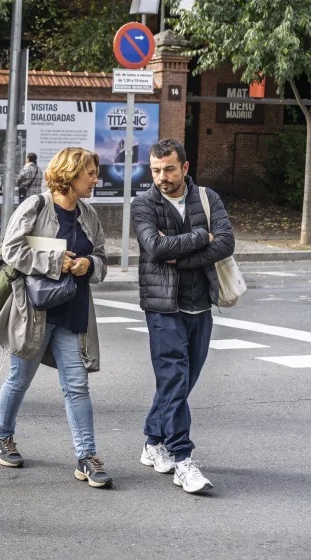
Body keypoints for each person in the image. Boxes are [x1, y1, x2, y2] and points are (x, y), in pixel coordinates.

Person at [0, 147, 112, 488]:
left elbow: (102, 257)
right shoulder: (36, 206)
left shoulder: (88, 214)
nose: (95, 179)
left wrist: (90, 265)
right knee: (19, 379)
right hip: (34, 313)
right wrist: (59, 263)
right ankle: (2, 437)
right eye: (90, 173)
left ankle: (86, 457)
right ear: (70, 174)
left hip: (72, 312)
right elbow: (12, 250)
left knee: (76, 385)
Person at [132, 138, 235, 494]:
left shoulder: (208, 199)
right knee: (174, 376)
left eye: (169, 169)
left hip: (200, 303)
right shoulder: (143, 204)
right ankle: (182, 459)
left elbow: (225, 242)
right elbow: (156, 248)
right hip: (163, 306)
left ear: (185, 168)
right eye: (156, 170)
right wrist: (199, 237)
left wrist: (185, 256)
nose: (162, 177)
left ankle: (152, 440)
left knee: (183, 380)